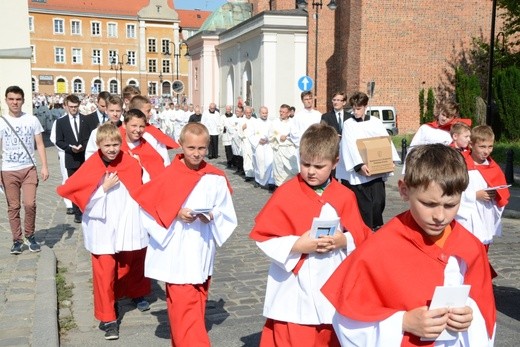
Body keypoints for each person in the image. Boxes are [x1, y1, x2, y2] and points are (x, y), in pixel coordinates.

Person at [322, 144, 496, 346]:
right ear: (404, 190)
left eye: (450, 205)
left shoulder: (470, 247)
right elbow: (347, 321)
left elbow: (484, 312)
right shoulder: (379, 248)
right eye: (428, 204)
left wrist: (469, 316)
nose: (440, 216)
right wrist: (402, 322)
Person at [250, 123, 371, 347]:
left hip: (331, 276)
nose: (311, 171)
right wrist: (297, 245)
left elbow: (361, 236)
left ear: (335, 163)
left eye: (319, 166)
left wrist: (343, 240)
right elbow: (265, 236)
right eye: (305, 164)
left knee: (328, 334)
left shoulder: (344, 196)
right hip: (294, 285)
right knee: (295, 334)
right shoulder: (286, 193)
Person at [136, 122, 237, 346]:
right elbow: (147, 208)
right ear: (181, 145)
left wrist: (211, 215)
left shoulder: (215, 177)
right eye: (191, 148)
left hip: (201, 247)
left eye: (201, 148)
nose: (196, 153)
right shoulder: (168, 175)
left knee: (195, 303)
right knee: (184, 307)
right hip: (177, 251)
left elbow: (225, 211)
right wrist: (175, 213)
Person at [57, 123, 145, 340]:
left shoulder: (129, 162)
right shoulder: (91, 166)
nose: (112, 149)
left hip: (124, 224)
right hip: (102, 228)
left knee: (125, 267)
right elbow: (80, 197)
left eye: (116, 144)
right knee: (104, 274)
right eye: (107, 145)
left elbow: (140, 189)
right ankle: (108, 318)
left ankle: (120, 295)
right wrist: (102, 189)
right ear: (99, 145)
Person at [336, 92, 400, 231]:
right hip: (359, 173)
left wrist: (390, 160)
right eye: (353, 108)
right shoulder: (349, 124)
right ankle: (365, 231)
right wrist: (360, 165)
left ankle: (375, 225)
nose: (355, 111)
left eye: (358, 108)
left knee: (378, 202)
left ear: (365, 107)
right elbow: (349, 146)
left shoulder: (375, 122)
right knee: (364, 205)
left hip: (376, 170)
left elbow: (384, 141)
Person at [1, 86, 49, 254]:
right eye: (11, 99)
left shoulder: (31, 120)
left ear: (23, 100)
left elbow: (40, 144)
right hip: (8, 170)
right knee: (13, 207)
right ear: (6, 100)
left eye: (18, 99)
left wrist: (44, 165)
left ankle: (30, 235)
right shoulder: (1, 121)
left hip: (29, 168)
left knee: (30, 204)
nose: (15, 102)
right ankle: (16, 240)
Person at [456, 125, 510, 253]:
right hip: (465, 217)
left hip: (485, 215)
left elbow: (502, 194)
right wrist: (474, 195)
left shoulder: (493, 167)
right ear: (471, 145)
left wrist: (497, 195)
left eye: (490, 147)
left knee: (482, 252)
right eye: (482, 147)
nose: (486, 151)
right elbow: (450, 191)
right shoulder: (460, 164)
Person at [54, 94, 92, 223]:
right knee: (74, 186)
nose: (74, 109)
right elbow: (59, 141)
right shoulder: (61, 122)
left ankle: (85, 208)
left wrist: (83, 146)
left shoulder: (85, 120)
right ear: (66, 106)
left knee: (86, 185)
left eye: (76, 107)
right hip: (71, 158)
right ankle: (77, 212)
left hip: (84, 157)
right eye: (71, 107)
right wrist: (70, 148)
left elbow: (89, 138)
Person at [85, 95, 124, 160]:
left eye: (118, 111)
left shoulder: (127, 130)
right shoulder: (97, 131)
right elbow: (90, 154)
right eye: (111, 111)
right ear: (106, 110)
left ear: (122, 111)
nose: (115, 114)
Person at [269, 104, 298, 189]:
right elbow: (271, 134)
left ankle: (291, 187)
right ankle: (279, 187)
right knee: (279, 169)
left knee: (293, 169)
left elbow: (296, 135)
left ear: (289, 113)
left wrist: (288, 137)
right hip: (278, 148)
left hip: (289, 149)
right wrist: (279, 137)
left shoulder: (293, 123)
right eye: (280, 111)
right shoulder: (275, 122)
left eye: (284, 112)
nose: (281, 114)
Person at [250, 106, 275, 190]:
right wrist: (258, 140)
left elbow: (273, 134)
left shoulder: (271, 123)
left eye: (266, 113)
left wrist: (268, 139)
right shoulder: (255, 122)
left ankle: (271, 182)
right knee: (259, 163)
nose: (265, 114)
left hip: (268, 146)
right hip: (259, 146)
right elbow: (250, 135)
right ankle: (258, 180)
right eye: (263, 113)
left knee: (270, 163)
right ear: (260, 113)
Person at [241, 106, 257, 181]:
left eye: (250, 112)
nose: (248, 114)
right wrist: (242, 128)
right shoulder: (242, 120)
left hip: (253, 142)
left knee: (253, 158)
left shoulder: (255, 120)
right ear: (244, 113)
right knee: (246, 158)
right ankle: (248, 174)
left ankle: (254, 173)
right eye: (247, 113)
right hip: (245, 142)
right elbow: (238, 132)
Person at [230, 106, 245, 175]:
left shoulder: (244, 120)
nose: (237, 113)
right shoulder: (234, 119)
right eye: (236, 111)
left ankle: (242, 169)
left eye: (238, 111)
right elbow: (232, 128)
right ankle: (238, 168)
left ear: (242, 112)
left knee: (241, 154)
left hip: (241, 140)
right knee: (236, 154)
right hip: (235, 139)